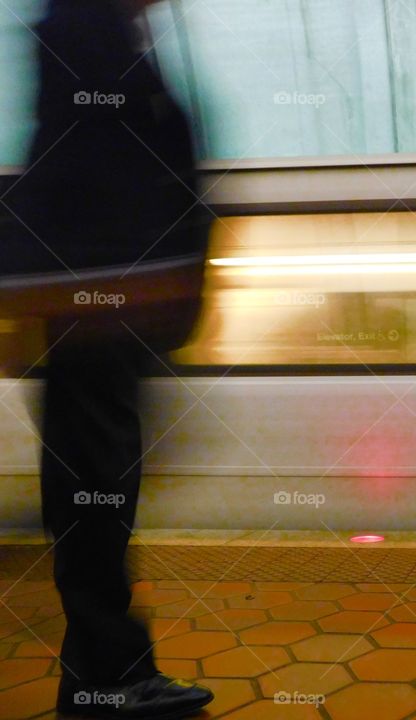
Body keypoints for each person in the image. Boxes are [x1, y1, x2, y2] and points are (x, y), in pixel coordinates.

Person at [2, 0, 213, 717]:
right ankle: (106, 685)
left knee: (96, 504)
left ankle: (104, 678)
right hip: (97, 309)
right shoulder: (84, 34)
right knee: (94, 504)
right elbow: (77, 173)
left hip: (101, 307)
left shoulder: (92, 32)